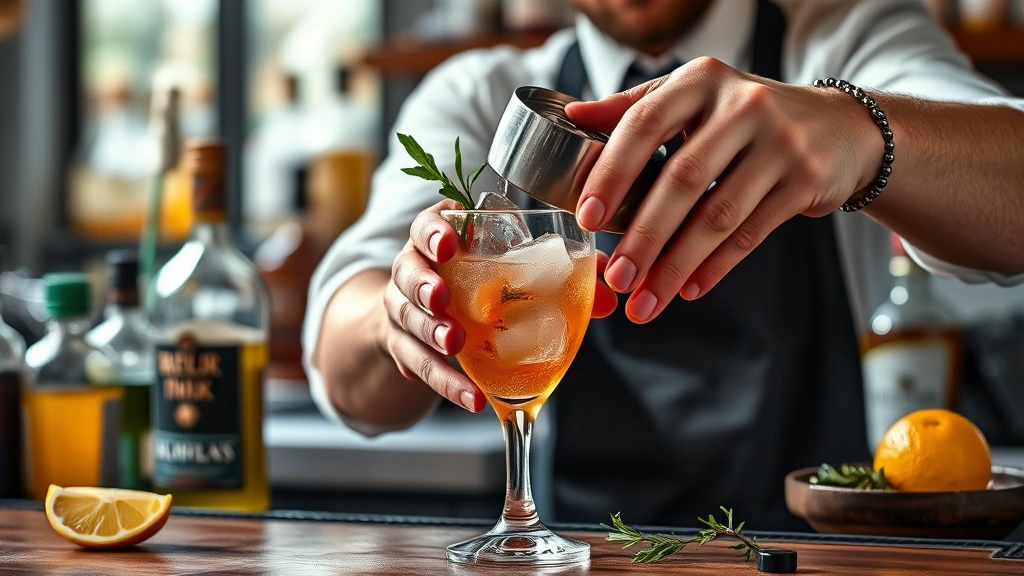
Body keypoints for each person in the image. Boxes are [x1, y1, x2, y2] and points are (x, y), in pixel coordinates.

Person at [303, 0, 1024, 530]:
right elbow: (346, 356)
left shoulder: (846, 35)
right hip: (589, 551)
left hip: (821, 553)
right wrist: (399, 312)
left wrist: (862, 131)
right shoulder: (482, 95)